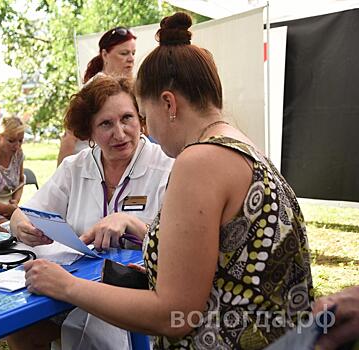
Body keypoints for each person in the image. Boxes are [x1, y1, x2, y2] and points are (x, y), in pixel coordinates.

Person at [19, 12, 313, 349]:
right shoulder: (241, 147)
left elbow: (175, 314)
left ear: (168, 103)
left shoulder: (198, 161)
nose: (146, 130)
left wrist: (66, 287)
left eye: (142, 115)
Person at [6, 75, 173, 349]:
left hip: (137, 295)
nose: (119, 133)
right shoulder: (76, 166)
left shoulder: (167, 167)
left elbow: (181, 248)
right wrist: (21, 225)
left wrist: (132, 223)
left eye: (127, 118)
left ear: (141, 118)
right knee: (21, 329)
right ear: (89, 131)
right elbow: (25, 212)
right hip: (74, 289)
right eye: (106, 124)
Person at [57, 26, 137, 166]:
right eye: (124, 53)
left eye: (133, 53)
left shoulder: (130, 90)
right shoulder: (92, 90)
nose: (130, 59)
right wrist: (63, 178)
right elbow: (69, 138)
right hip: (90, 169)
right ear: (105, 55)